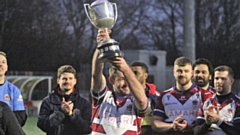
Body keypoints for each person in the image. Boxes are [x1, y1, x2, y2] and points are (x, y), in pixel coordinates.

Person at [90, 29, 148, 135]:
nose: (126, 84)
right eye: (121, 79)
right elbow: (96, 75)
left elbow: (142, 101)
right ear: (112, 80)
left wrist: (126, 69)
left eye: (128, 80)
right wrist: (101, 46)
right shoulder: (103, 98)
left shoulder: (134, 102)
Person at [151, 56, 212, 135]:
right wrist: (172, 126)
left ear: (192, 73)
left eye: (186, 71)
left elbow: (209, 123)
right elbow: (155, 124)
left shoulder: (204, 94)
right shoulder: (164, 96)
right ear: (174, 72)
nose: (182, 74)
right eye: (179, 71)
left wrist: (188, 127)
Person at [37, 65, 92, 135]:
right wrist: (61, 112)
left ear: (75, 81)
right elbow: (42, 125)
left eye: (70, 78)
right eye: (64, 79)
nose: (67, 81)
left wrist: (71, 115)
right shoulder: (48, 101)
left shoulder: (84, 103)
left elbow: (87, 129)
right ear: (58, 80)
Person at [193, 65, 240, 135]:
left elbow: (237, 132)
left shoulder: (237, 103)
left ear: (231, 81)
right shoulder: (207, 103)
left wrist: (219, 122)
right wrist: (207, 123)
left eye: (223, 79)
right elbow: (196, 132)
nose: (219, 81)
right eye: (216, 78)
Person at [130, 61, 160, 135]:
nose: (132, 76)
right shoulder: (123, 94)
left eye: (136, 73)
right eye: (131, 73)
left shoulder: (156, 96)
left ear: (145, 76)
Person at [0, 51, 27, 126]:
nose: (0, 64)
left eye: (3, 62)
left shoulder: (14, 90)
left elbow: (20, 117)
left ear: (6, 67)